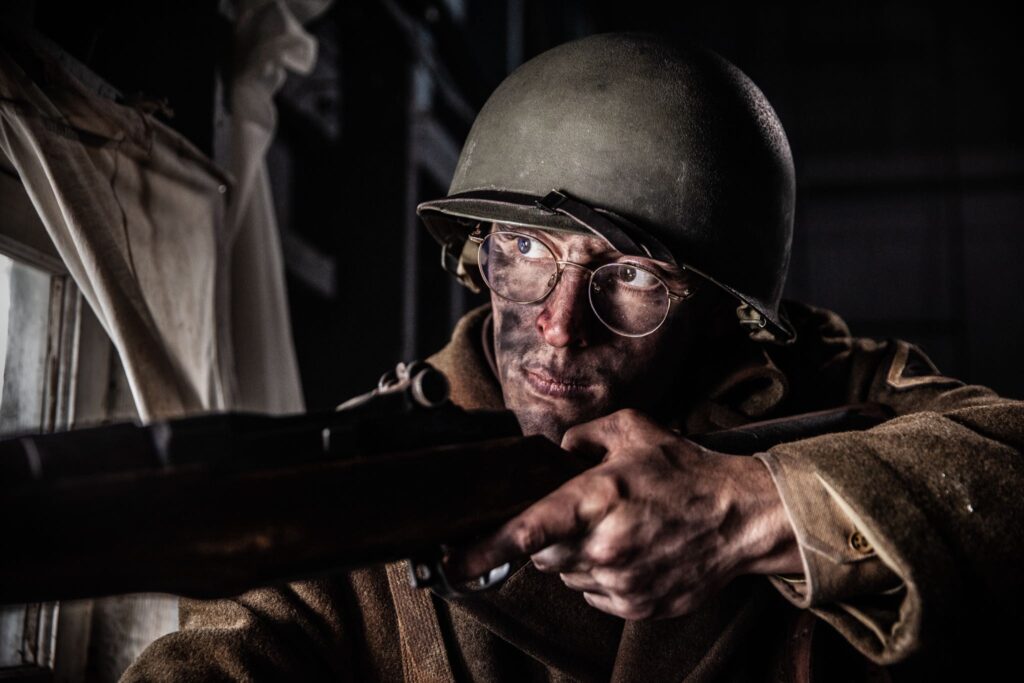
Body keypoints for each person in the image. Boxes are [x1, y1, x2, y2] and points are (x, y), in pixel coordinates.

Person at [123, 32, 1024, 681]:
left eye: (630, 274)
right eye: (524, 250)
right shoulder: (380, 467)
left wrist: (748, 507)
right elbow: (229, 647)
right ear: (477, 257)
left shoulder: (830, 382)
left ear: (715, 308)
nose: (558, 326)